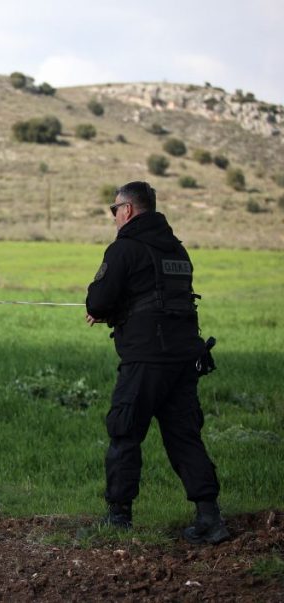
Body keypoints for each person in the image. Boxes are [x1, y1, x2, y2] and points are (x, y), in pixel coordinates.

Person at [85, 181, 228, 544]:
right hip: (184, 358)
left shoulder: (125, 249)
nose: (114, 216)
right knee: (184, 436)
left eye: (114, 209)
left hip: (146, 358)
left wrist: (105, 312)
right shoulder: (177, 249)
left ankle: (118, 519)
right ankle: (210, 518)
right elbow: (157, 294)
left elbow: (97, 302)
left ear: (128, 210)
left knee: (125, 431)